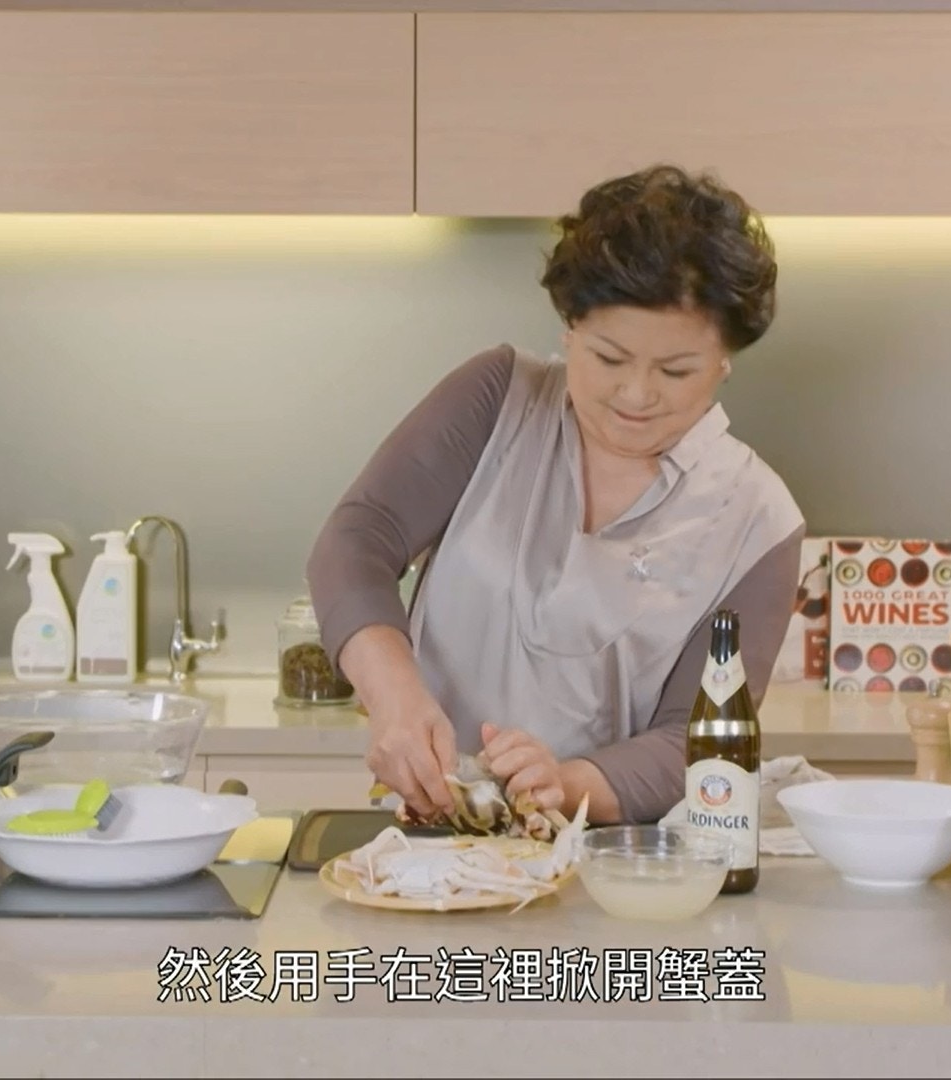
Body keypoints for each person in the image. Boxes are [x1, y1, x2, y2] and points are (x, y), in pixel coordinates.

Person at [305, 164, 805, 826]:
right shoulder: (497, 400)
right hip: (424, 832)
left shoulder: (758, 520)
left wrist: (562, 784)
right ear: (570, 328)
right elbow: (358, 540)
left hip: (619, 860)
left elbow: (693, 738)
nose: (636, 394)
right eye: (608, 358)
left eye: (676, 370)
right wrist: (395, 697)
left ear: (723, 362)